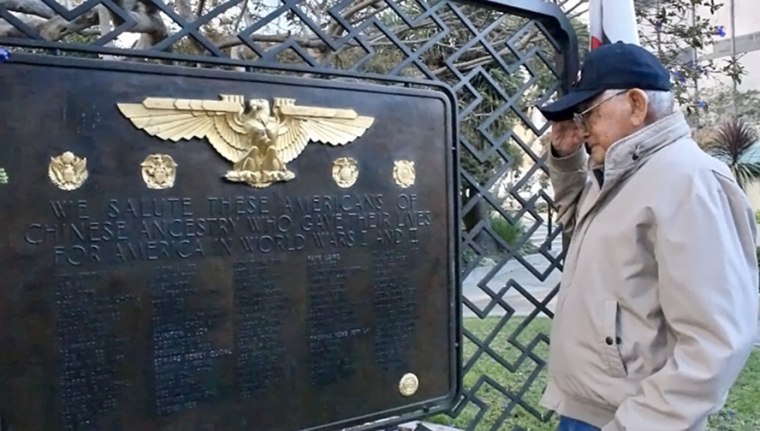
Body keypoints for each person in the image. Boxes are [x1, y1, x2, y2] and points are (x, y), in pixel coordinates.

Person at [536, 41, 759, 431]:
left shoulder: (690, 182)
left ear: (636, 105)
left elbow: (715, 342)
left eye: (587, 114)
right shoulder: (623, 170)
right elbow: (581, 228)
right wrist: (566, 157)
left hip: (634, 418)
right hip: (588, 409)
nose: (581, 128)